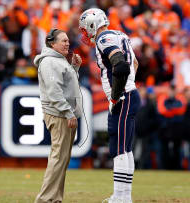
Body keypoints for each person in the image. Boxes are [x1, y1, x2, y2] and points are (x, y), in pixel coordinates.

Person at [79, 8, 141, 203]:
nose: (84, 33)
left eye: (84, 28)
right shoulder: (119, 34)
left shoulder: (103, 38)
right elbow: (135, 64)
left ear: (91, 24)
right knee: (122, 148)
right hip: (129, 94)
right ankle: (121, 196)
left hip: (123, 96)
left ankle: (122, 198)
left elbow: (121, 66)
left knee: (121, 149)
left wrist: (116, 95)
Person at [33, 28, 82, 203]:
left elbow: (68, 87)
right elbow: (55, 92)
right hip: (59, 115)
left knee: (62, 160)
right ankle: (46, 199)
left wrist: (75, 67)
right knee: (58, 158)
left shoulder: (60, 61)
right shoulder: (49, 62)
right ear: (52, 43)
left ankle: (54, 198)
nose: (67, 43)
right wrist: (68, 113)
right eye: (63, 41)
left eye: (68, 40)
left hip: (63, 114)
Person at [157, 84, 186, 170]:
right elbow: (162, 110)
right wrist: (173, 110)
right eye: (171, 90)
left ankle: (176, 168)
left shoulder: (180, 98)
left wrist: (169, 110)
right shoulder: (163, 98)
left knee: (177, 150)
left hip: (176, 129)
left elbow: (181, 110)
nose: (172, 92)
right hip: (165, 129)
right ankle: (164, 168)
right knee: (164, 149)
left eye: (173, 90)